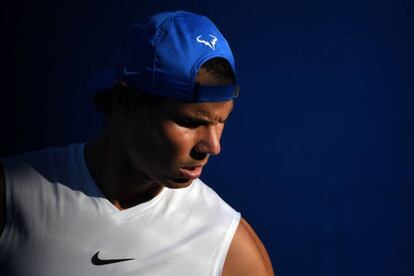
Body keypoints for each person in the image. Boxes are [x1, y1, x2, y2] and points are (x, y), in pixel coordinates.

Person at [0, 10, 274, 275]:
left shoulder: (231, 251)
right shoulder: (13, 194)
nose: (212, 147)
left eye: (220, 121)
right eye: (190, 122)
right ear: (125, 102)